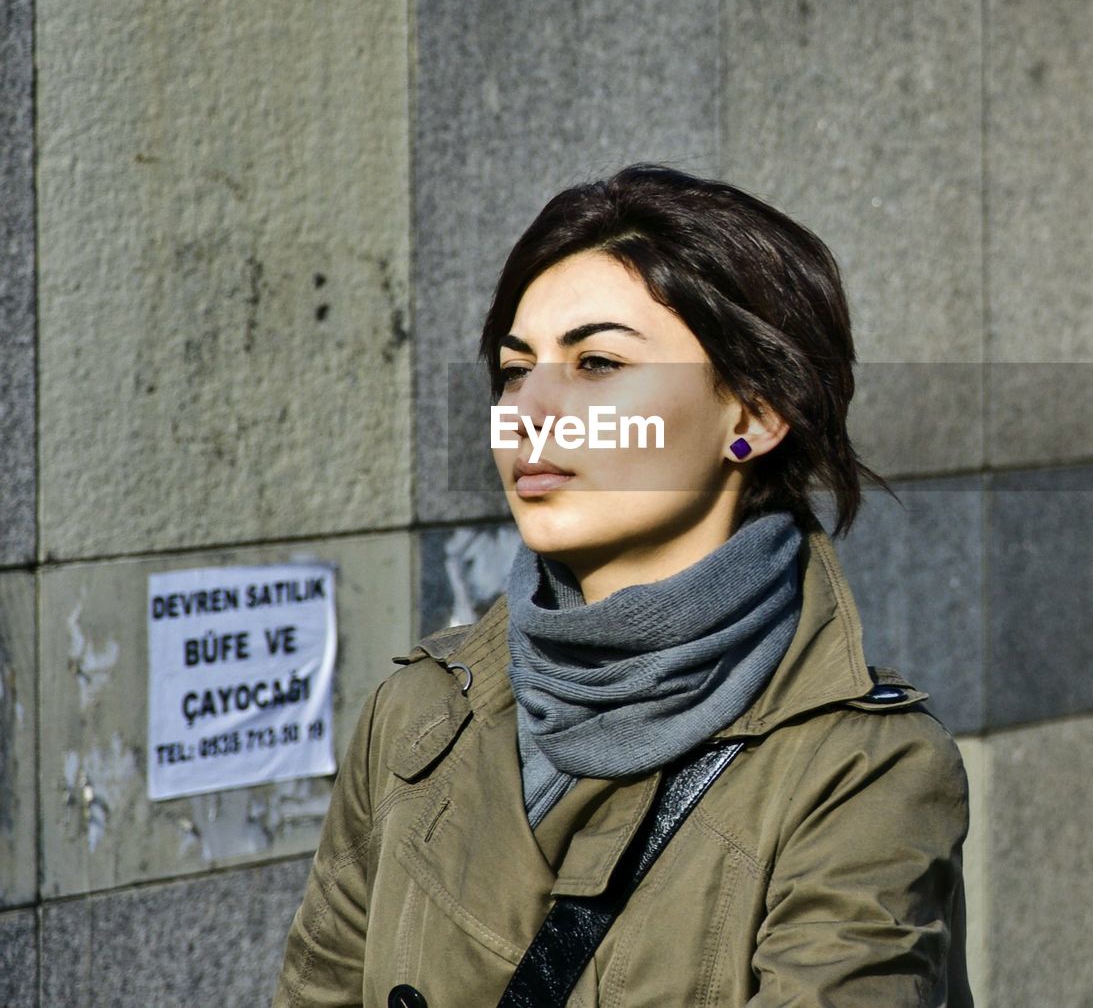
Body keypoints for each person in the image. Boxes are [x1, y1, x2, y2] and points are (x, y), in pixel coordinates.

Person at [272, 163, 972, 1007]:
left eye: (598, 363)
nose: (529, 409)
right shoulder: (420, 713)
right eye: (515, 368)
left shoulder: (861, 769)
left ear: (751, 416)